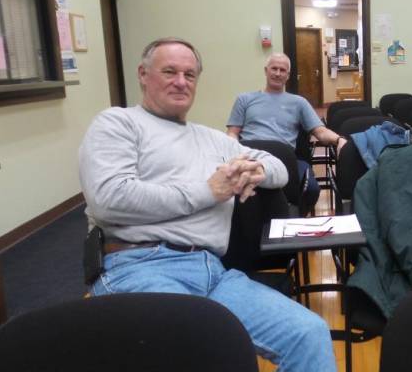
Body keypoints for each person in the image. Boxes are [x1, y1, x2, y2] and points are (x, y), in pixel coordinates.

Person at [79, 37, 336, 371]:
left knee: (309, 332)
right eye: (169, 71)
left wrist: (253, 170)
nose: (181, 82)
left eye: (190, 74)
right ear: (143, 74)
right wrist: (209, 191)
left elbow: (278, 168)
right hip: (137, 266)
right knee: (205, 350)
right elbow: (109, 199)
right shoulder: (117, 124)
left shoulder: (213, 139)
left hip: (211, 271)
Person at [226, 53, 346, 212]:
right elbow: (232, 133)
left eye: (282, 70)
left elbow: (320, 131)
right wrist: (231, 153)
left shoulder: (299, 103)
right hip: (250, 156)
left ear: (288, 75)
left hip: (284, 159)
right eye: (274, 68)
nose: (277, 73)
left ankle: (295, 222)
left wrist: (340, 140)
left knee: (311, 189)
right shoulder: (244, 99)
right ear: (266, 71)